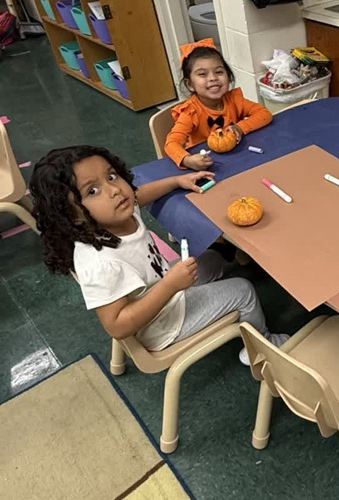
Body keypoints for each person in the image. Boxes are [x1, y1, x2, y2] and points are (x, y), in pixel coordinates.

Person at [29, 145, 287, 363]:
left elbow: (139, 194)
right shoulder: (101, 262)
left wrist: (177, 181)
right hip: (164, 324)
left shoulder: (116, 211)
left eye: (111, 177)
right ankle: (263, 348)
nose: (115, 190)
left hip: (165, 284)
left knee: (213, 256)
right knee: (243, 290)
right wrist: (170, 286)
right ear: (70, 214)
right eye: (92, 191)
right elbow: (117, 326)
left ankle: (231, 259)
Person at [165, 42, 272, 170]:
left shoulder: (234, 100)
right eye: (202, 74)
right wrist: (187, 160)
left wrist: (240, 128)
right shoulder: (190, 112)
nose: (213, 78)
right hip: (208, 165)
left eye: (219, 72)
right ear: (190, 85)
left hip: (240, 158)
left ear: (229, 77)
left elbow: (264, 113)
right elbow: (171, 143)